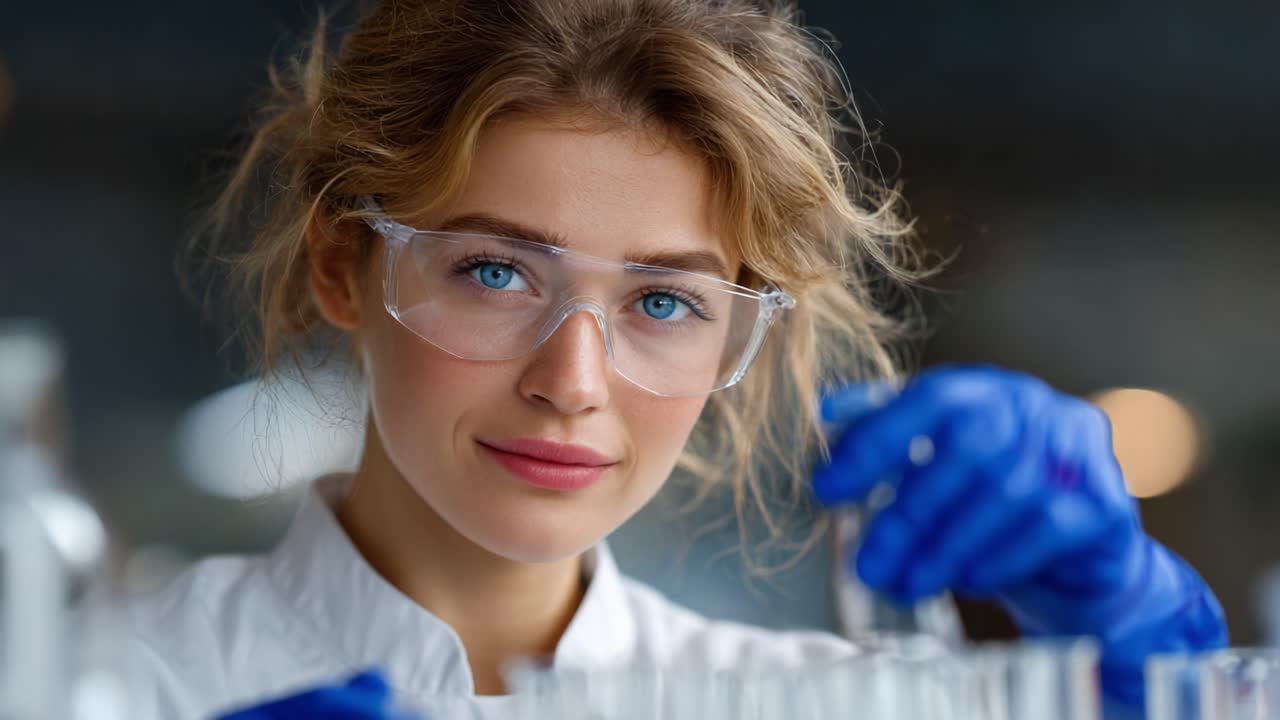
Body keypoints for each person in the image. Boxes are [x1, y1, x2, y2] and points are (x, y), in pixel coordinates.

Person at [120, 1, 1227, 717]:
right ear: (340, 266)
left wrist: (1154, 657)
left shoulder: (816, 706)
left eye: (661, 299)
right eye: (495, 273)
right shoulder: (106, 682)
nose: (574, 383)